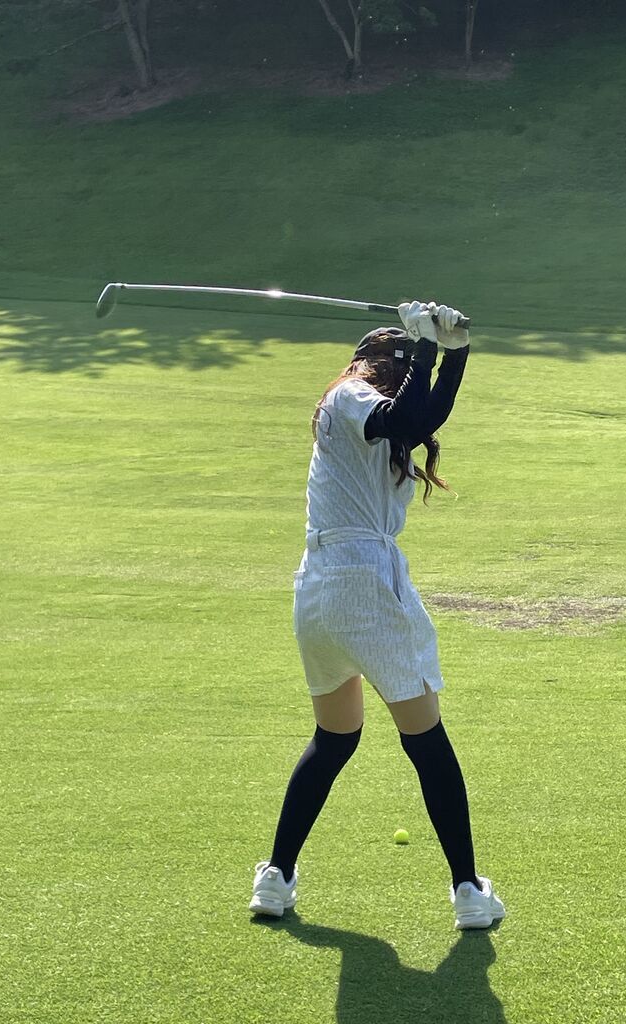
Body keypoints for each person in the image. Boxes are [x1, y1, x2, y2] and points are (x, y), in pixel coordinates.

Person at [249, 300, 506, 930]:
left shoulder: (373, 416)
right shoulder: (350, 399)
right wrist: (426, 350)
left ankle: (276, 877)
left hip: (319, 590)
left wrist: (451, 354)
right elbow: (405, 413)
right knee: (427, 741)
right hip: (365, 584)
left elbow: (420, 414)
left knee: (335, 738)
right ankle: (469, 890)